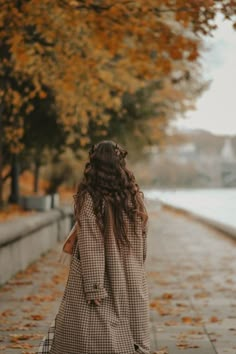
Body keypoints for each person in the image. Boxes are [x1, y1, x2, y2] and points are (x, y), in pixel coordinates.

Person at [41, 140, 150, 354]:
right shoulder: (133, 197)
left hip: (101, 275)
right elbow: (142, 241)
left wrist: (93, 286)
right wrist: (136, 265)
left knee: (93, 333)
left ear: (94, 164)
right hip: (131, 273)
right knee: (131, 332)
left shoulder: (90, 198)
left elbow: (91, 244)